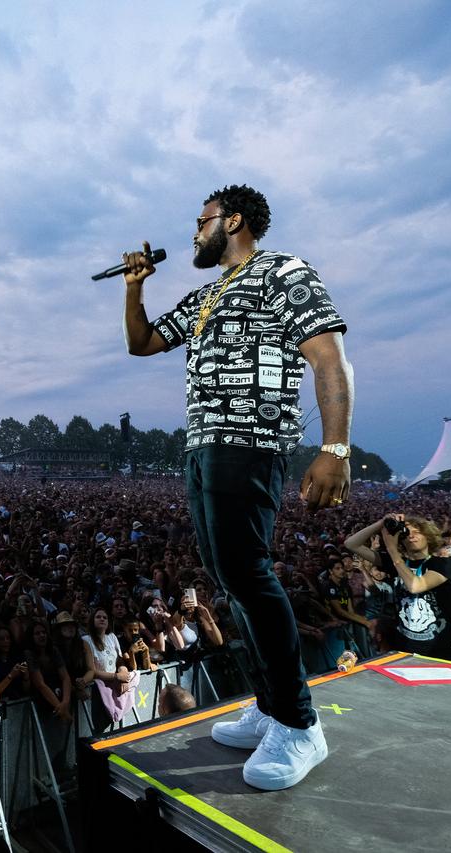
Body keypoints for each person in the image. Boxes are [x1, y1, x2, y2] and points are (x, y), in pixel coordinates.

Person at [121, 183, 354, 790]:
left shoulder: (283, 272)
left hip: (249, 440)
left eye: (202, 221)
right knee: (229, 578)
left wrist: (334, 448)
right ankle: (271, 704)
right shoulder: (207, 293)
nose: (195, 232)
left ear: (236, 220)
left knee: (248, 573)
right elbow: (141, 343)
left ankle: (301, 725)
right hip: (203, 445)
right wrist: (135, 286)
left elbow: (328, 358)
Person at [345, 514, 451, 659]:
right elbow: (351, 544)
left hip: (442, 648)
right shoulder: (397, 562)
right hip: (406, 647)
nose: (411, 536)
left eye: (417, 532)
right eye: (406, 533)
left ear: (428, 536)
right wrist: (381, 523)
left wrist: (392, 549)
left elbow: (415, 586)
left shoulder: (445, 563)